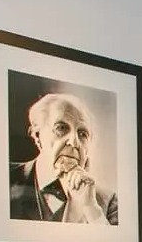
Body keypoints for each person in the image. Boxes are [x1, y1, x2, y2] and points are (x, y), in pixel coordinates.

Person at [10, 93, 118, 225]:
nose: (74, 142)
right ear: (38, 137)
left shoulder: (107, 201)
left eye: (82, 134)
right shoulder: (4, 177)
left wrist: (91, 209)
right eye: (61, 128)